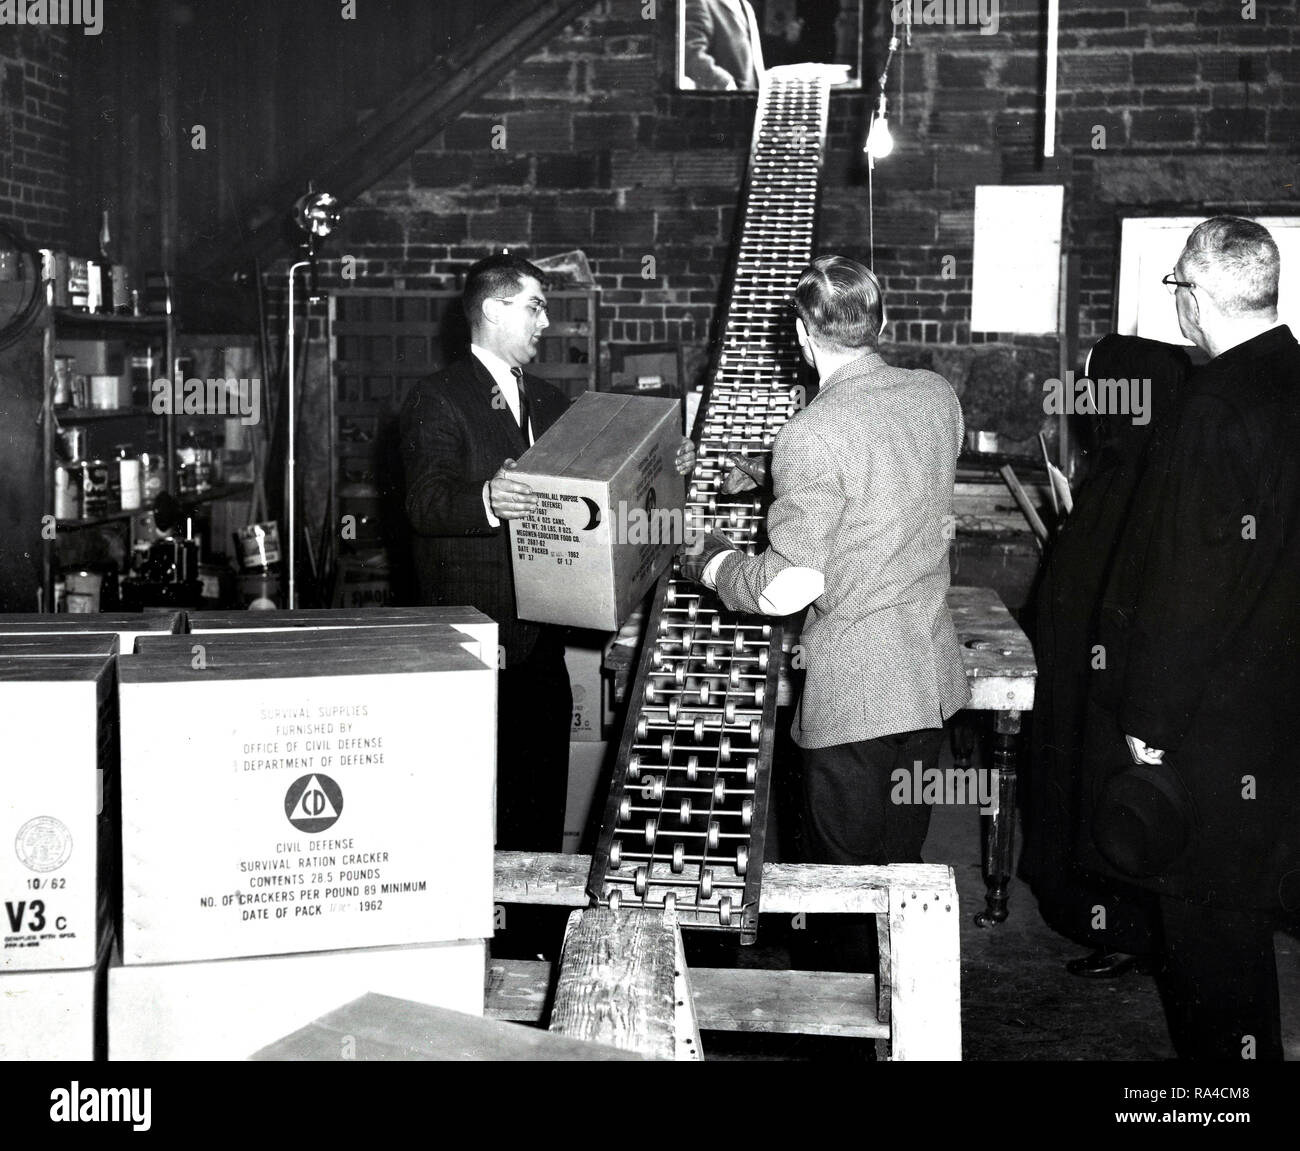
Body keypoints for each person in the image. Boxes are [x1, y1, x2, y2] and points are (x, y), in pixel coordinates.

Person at [680, 254, 970, 970]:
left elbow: (786, 586)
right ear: (882, 323)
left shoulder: (812, 430)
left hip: (856, 701)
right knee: (901, 881)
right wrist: (774, 473)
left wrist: (708, 558)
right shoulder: (937, 395)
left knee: (842, 901)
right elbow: (889, 486)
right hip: (928, 687)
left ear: (804, 336)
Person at [1080, 216, 1300, 1060]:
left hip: (1210, 727)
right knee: (1245, 932)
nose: (1176, 302)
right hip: (1279, 719)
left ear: (1198, 300)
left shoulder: (1210, 407)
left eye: (1176, 286)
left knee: (1209, 952)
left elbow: (1187, 583)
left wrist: (1152, 720)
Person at [400, 253, 697, 853]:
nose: (545, 322)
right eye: (534, 306)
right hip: (477, 642)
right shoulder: (437, 397)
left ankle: (535, 941)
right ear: (492, 309)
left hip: (542, 638)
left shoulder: (550, 398)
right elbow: (424, 504)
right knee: (477, 809)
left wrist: (671, 464)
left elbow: (600, 486)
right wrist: (487, 497)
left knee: (539, 802)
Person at [1022, 335, 1191, 978]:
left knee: (1113, 801)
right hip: (1079, 674)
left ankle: (1128, 931)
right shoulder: (1122, 464)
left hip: (1114, 686)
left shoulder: (1153, 480)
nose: (1088, 402)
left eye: (1099, 388)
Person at [683, 0, 765, 91]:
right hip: (724, 102)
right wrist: (726, 83)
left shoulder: (746, 6)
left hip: (750, 101)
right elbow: (690, 55)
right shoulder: (700, 2)